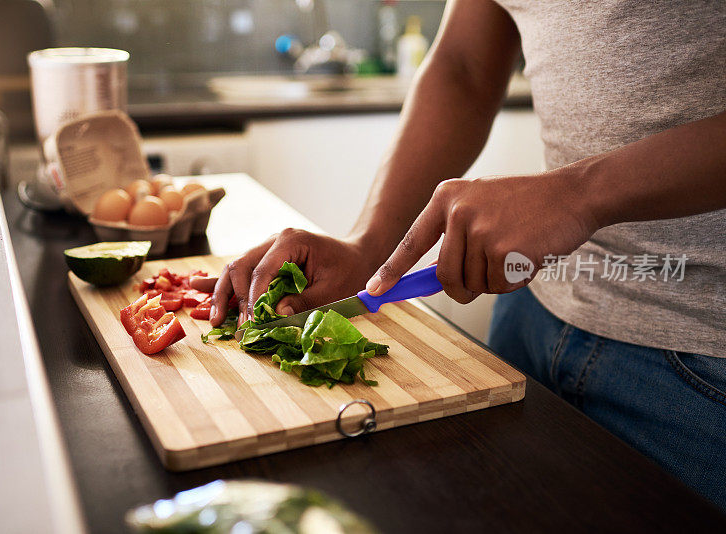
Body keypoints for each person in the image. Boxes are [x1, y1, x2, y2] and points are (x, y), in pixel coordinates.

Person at [208, 0, 726, 508]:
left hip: (698, 367)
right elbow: (463, 66)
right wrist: (368, 246)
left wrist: (580, 194)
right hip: (529, 320)